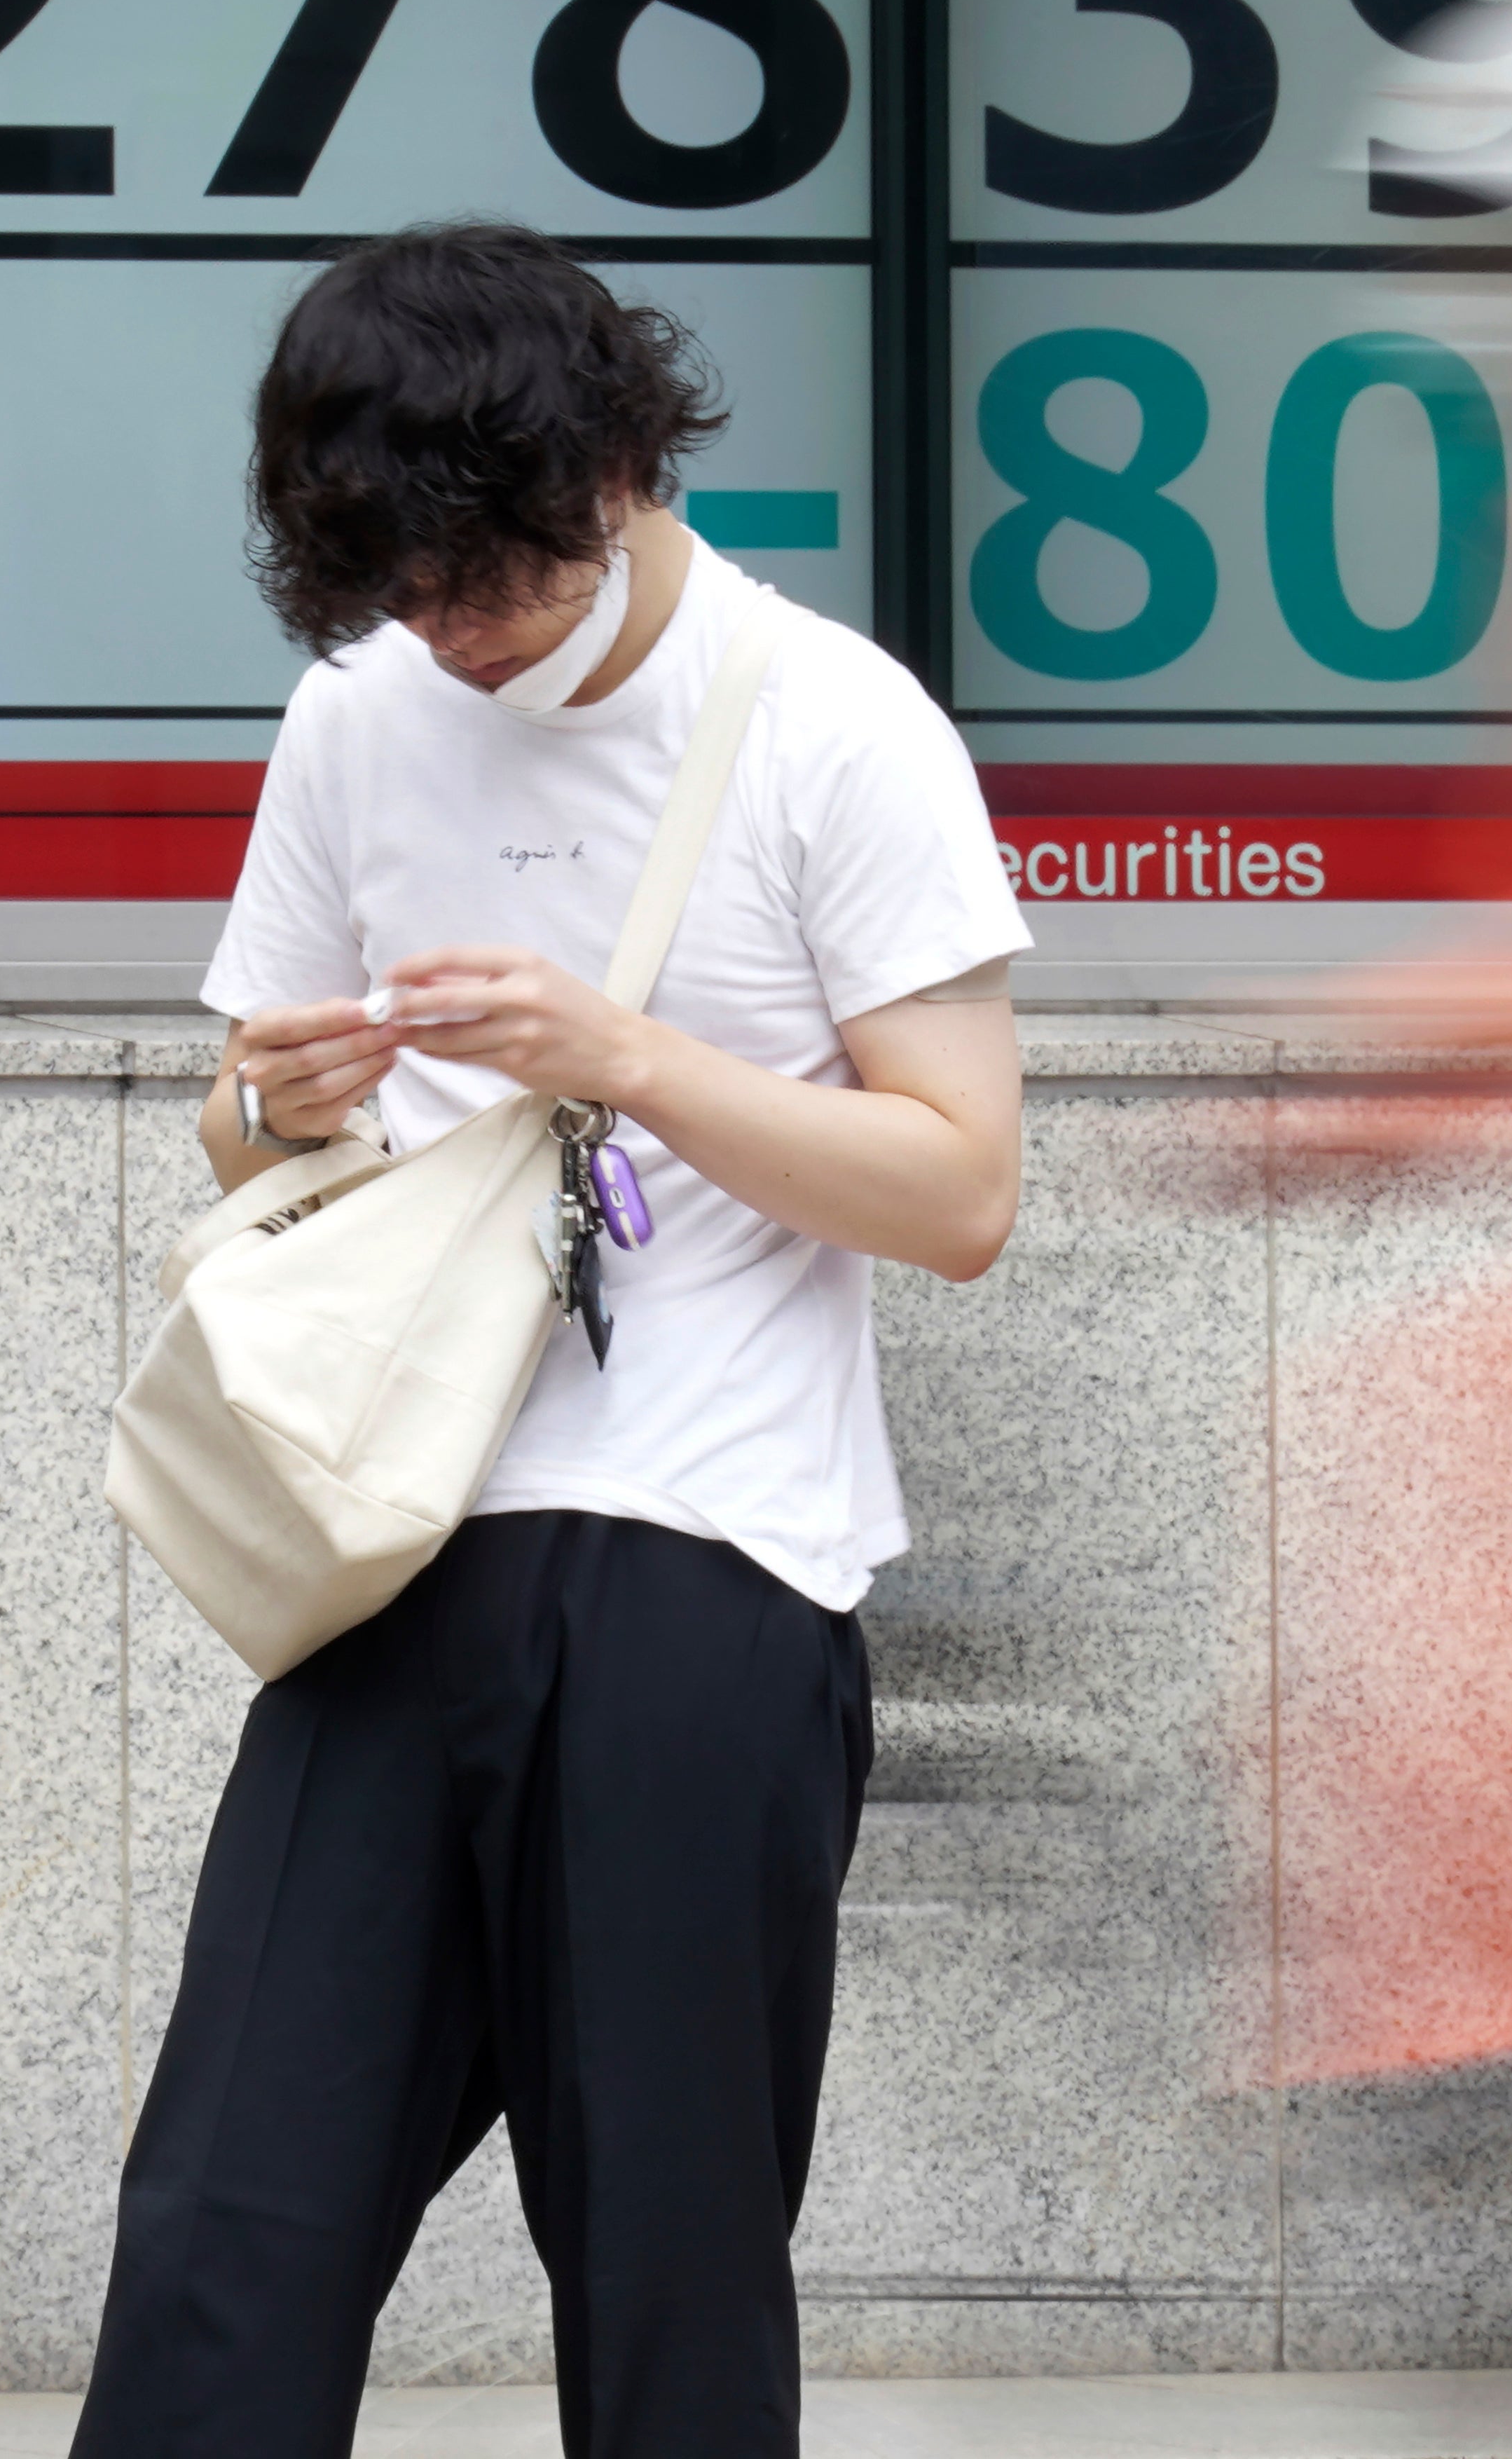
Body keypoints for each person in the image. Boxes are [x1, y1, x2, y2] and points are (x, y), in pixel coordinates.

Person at [74, 221, 1030, 2459]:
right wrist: (266, 1104)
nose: (451, 638)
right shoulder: (359, 712)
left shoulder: (835, 724)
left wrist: (632, 1055)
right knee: (230, 2219)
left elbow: (963, 1191)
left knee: (667, 2259)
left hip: (711, 1562)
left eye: (478, 583)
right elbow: (249, 1135)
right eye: (399, 597)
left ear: (612, 469)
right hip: (396, 1546)